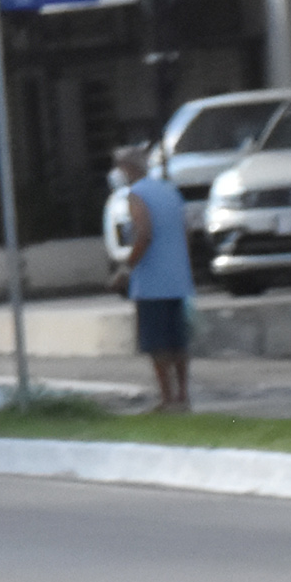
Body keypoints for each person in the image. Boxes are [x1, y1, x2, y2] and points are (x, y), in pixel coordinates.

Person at [112, 142, 193, 411]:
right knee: (177, 340)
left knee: (157, 343)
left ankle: (167, 398)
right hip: (177, 277)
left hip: (152, 281)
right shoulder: (169, 190)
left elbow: (143, 233)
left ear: (127, 168)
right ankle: (182, 394)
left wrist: (126, 269)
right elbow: (186, 230)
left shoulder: (136, 194)